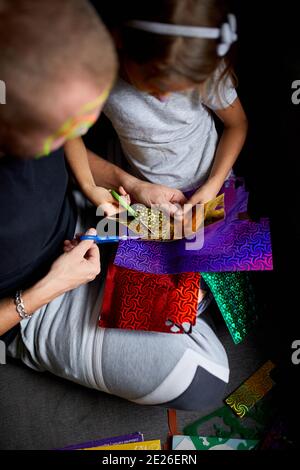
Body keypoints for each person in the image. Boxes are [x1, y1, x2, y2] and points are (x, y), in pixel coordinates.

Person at [1, 0, 229, 412]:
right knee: (205, 378)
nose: (80, 132)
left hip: (79, 223)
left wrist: (127, 185)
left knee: (192, 244)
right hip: (30, 301)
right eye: (63, 126)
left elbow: (72, 145)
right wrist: (48, 288)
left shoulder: (34, 87)